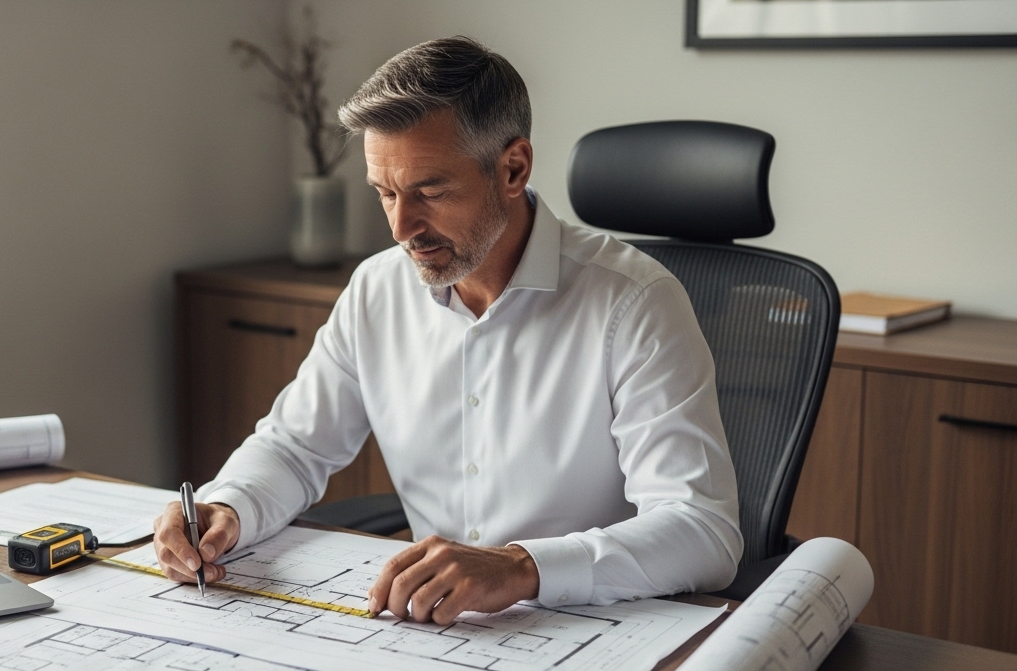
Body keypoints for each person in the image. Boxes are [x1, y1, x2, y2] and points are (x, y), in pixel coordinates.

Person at [153, 36, 741, 625]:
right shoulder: (377, 289)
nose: (400, 227)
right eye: (385, 193)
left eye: (429, 192)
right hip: (432, 628)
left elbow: (703, 530)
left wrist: (521, 567)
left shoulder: (635, 302)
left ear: (513, 169)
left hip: (595, 625)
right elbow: (295, 446)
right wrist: (228, 504)